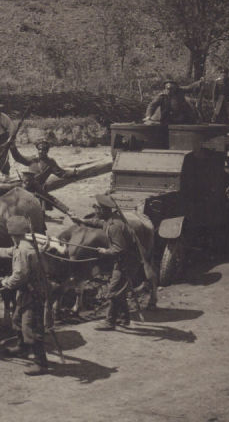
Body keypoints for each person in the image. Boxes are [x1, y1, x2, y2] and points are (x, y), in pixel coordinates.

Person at [0, 216, 53, 376]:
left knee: (31, 327)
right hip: (27, 291)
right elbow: (7, 252)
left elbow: (20, 275)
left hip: (33, 293)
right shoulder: (24, 245)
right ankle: (23, 347)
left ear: (13, 234)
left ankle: (41, 364)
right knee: (17, 319)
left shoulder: (23, 251)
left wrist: (6, 282)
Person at [73, 195, 139, 330]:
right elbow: (98, 223)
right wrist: (81, 220)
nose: (95, 210)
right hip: (124, 261)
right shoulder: (110, 220)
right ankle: (124, 319)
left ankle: (110, 322)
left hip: (125, 263)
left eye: (96, 208)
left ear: (103, 210)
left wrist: (105, 251)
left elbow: (119, 249)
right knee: (118, 290)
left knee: (113, 291)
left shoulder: (115, 227)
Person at [17, 136, 79, 214]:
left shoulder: (50, 162)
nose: (40, 151)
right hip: (27, 185)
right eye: (39, 149)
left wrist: (73, 172)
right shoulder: (32, 159)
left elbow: (62, 173)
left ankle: (68, 211)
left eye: (43, 150)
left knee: (50, 200)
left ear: (46, 151)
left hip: (39, 188)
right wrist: (12, 147)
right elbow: (18, 158)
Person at [211, 67, 229, 131]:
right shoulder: (217, 82)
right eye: (222, 73)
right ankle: (216, 131)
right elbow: (214, 94)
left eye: (225, 73)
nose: (224, 74)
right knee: (217, 115)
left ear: (228, 74)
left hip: (228, 100)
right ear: (221, 74)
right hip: (220, 100)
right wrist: (214, 104)